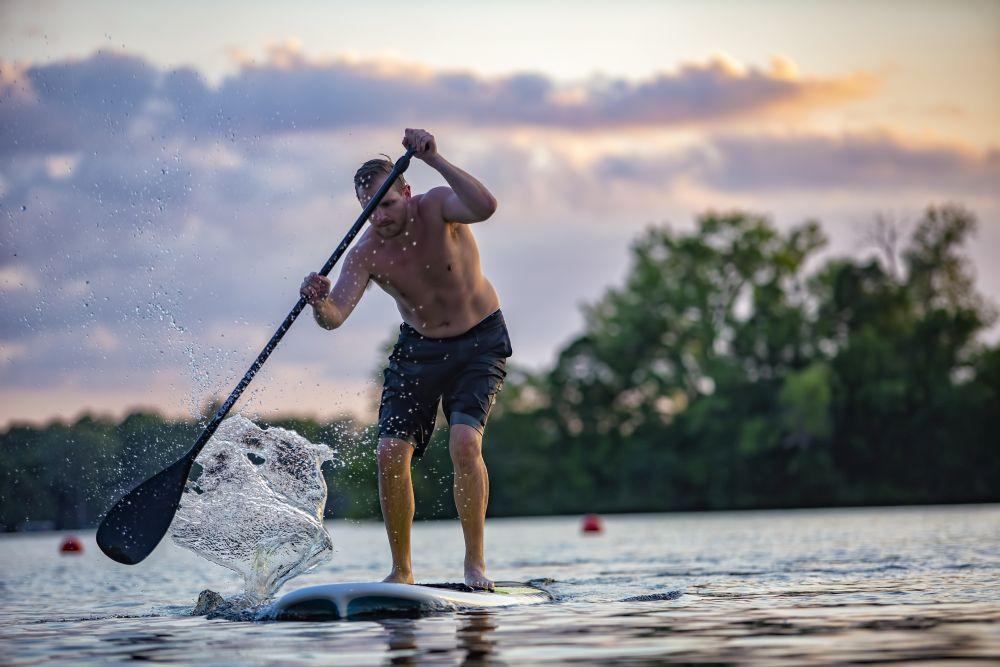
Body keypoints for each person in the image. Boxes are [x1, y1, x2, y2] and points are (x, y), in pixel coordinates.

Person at [300, 128, 510, 590]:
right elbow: (335, 316)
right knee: (389, 453)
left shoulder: (439, 206)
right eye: (370, 209)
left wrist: (435, 158)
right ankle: (402, 571)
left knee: (464, 444)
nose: (380, 216)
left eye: (388, 204)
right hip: (419, 349)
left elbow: (486, 207)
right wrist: (318, 301)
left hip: (479, 341)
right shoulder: (366, 253)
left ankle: (475, 566)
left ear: (407, 192)